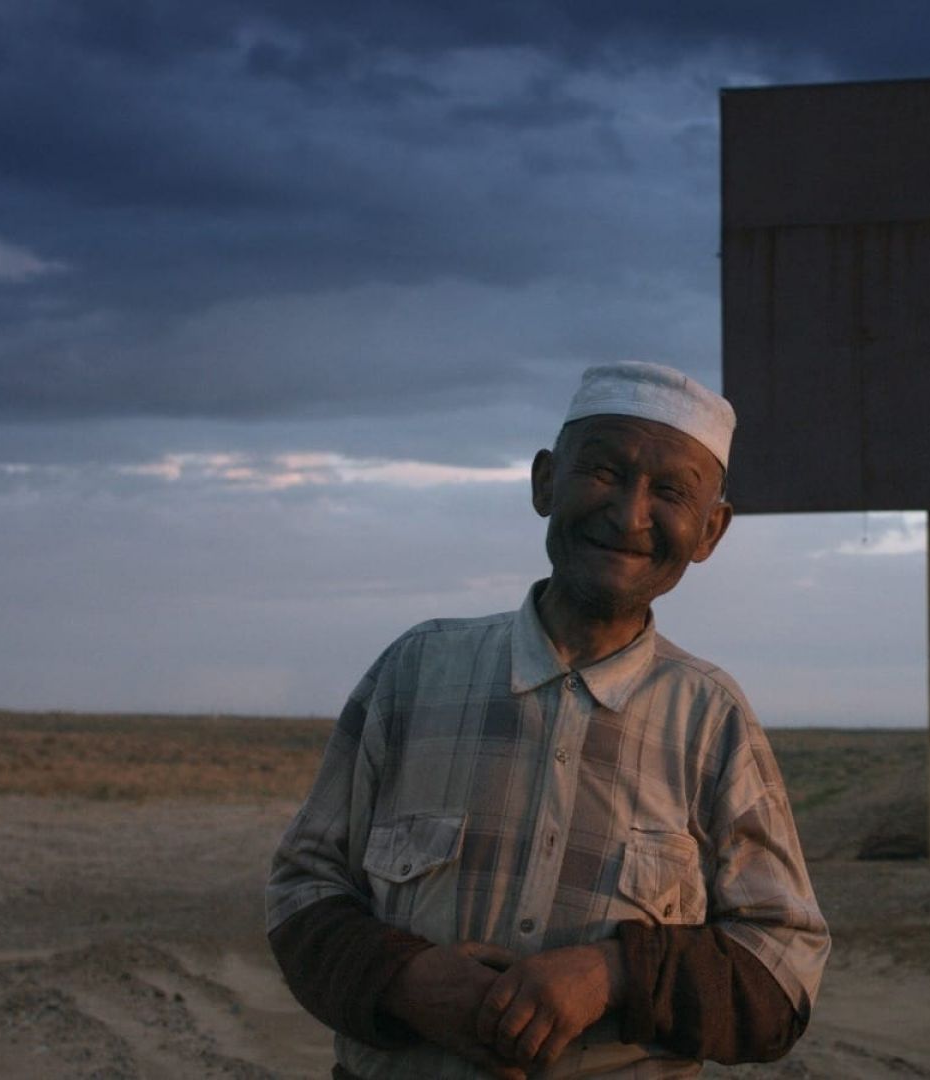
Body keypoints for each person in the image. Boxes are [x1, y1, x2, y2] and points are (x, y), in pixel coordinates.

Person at [266, 361, 828, 1079]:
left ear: (710, 531)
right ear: (544, 483)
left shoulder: (710, 720)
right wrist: (409, 982)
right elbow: (301, 889)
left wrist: (613, 975)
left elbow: (784, 971)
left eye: (669, 493)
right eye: (604, 472)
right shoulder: (414, 674)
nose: (629, 515)